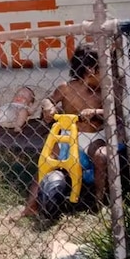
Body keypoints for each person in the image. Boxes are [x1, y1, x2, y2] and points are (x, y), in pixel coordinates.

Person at [18, 45, 110, 218]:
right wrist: (48, 108)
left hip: (94, 137)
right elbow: (48, 100)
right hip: (69, 137)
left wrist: (96, 112)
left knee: (101, 155)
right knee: (47, 158)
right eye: (103, 69)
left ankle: (99, 202)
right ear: (90, 70)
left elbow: (115, 112)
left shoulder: (104, 91)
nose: (107, 74)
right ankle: (31, 206)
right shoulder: (66, 88)